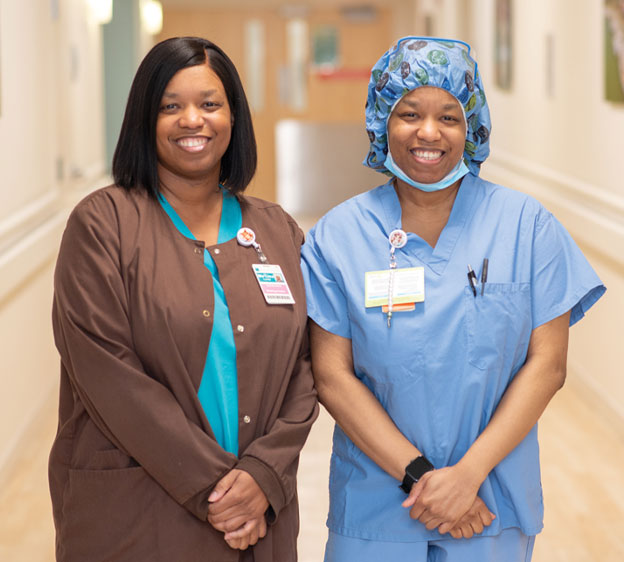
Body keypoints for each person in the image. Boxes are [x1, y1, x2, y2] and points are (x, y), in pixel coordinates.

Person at [301, 36, 605, 561]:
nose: (428, 132)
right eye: (409, 113)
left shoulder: (526, 227)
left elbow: (548, 365)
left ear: (473, 127)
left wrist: (468, 478)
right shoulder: (338, 236)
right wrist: (422, 477)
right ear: (380, 121)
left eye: (449, 117)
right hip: (378, 507)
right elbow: (332, 375)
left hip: (489, 501)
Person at [49, 36, 318, 562]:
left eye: (209, 104)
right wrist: (223, 491)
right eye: (170, 106)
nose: (192, 120)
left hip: (258, 515)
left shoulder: (277, 229)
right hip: (140, 513)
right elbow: (109, 376)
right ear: (144, 120)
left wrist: (262, 476)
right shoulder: (103, 225)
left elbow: (306, 369)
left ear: (233, 117)